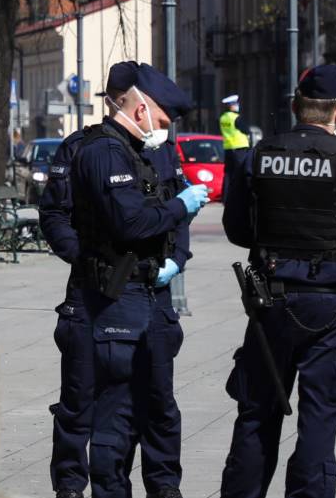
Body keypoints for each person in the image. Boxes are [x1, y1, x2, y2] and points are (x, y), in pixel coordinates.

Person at [39, 61, 211, 498]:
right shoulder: (90, 149)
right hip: (100, 293)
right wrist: (86, 259)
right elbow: (59, 215)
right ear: (134, 106)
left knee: (157, 405)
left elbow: (175, 212)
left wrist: (177, 259)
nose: (166, 131)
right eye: (163, 120)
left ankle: (163, 487)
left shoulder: (155, 150)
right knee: (84, 403)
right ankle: (72, 486)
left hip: (154, 291)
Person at [219, 64, 336, 498]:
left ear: (295, 107)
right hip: (330, 307)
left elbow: (237, 230)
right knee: (319, 420)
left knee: (257, 414)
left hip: (271, 304)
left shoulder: (260, 156)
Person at [218, 94, 250, 193]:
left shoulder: (222, 118)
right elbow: (247, 130)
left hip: (228, 148)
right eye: (236, 104)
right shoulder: (236, 117)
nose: (237, 106)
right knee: (241, 172)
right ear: (231, 106)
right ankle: (240, 194)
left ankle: (226, 196)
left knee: (228, 174)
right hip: (240, 148)